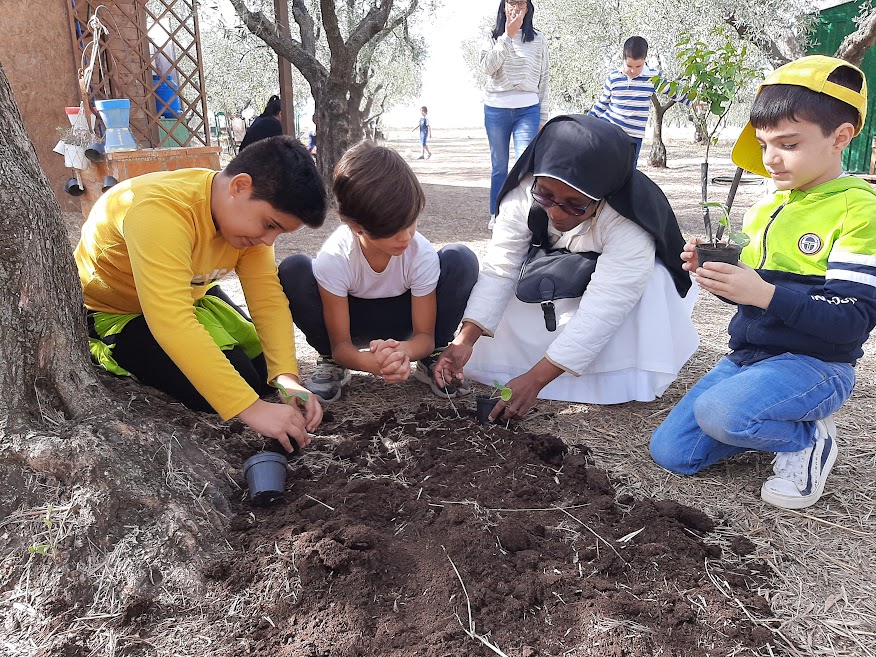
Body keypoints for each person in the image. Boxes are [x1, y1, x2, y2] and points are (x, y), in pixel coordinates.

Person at [650, 56, 876, 510]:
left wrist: (764, 294)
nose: (770, 158)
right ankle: (757, 413)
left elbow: (853, 319)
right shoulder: (767, 207)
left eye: (787, 144)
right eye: (764, 143)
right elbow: (751, 290)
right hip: (752, 358)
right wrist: (712, 271)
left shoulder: (858, 209)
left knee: (722, 413)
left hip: (817, 365)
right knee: (672, 452)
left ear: (841, 138)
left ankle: (807, 438)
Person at [433, 114, 698, 420]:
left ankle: (612, 378)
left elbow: (605, 306)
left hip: (615, 296)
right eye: (545, 195)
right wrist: (465, 341)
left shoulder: (628, 221)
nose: (556, 212)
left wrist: (536, 380)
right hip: (552, 278)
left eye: (575, 204)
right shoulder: (523, 194)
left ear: (603, 196)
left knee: (653, 280)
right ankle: (518, 364)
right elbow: (501, 269)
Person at [75, 136, 327, 453]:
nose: (268, 241)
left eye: (278, 232)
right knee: (239, 386)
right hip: (118, 312)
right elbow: (171, 322)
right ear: (240, 186)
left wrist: (287, 378)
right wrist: (251, 409)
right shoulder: (158, 212)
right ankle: (105, 349)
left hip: (191, 296)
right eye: (269, 225)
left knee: (265, 374)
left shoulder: (244, 226)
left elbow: (267, 299)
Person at [279, 141, 479, 404]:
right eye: (392, 228)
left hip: (406, 322)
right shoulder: (335, 257)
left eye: (411, 221)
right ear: (354, 225)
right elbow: (342, 346)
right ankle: (329, 364)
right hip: (352, 324)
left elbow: (424, 336)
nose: (406, 236)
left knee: (460, 258)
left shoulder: (420, 252)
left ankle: (432, 361)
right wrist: (366, 361)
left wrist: (405, 352)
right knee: (294, 269)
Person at [480, 0, 550, 228]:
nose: (516, 8)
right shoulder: (491, 36)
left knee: (526, 167)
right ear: (503, 7)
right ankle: (496, 214)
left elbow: (544, 78)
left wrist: (543, 117)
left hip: (527, 110)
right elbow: (488, 68)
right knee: (499, 166)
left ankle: (523, 218)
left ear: (528, 8)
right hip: (496, 108)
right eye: (511, 2)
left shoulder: (538, 39)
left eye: (521, 3)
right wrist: (507, 37)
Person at [589, 36, 690, 165]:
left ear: (644, 60)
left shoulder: (652, 77)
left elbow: (673, 91)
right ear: (623, 59)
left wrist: (693, 101)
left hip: (634, 136)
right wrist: (588, 120)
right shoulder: (614, 77)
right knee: (601, 163)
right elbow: (602, 103)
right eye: (629, 65)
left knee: (629, 171)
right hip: (610, 130)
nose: (633, 70)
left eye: (638, 66)